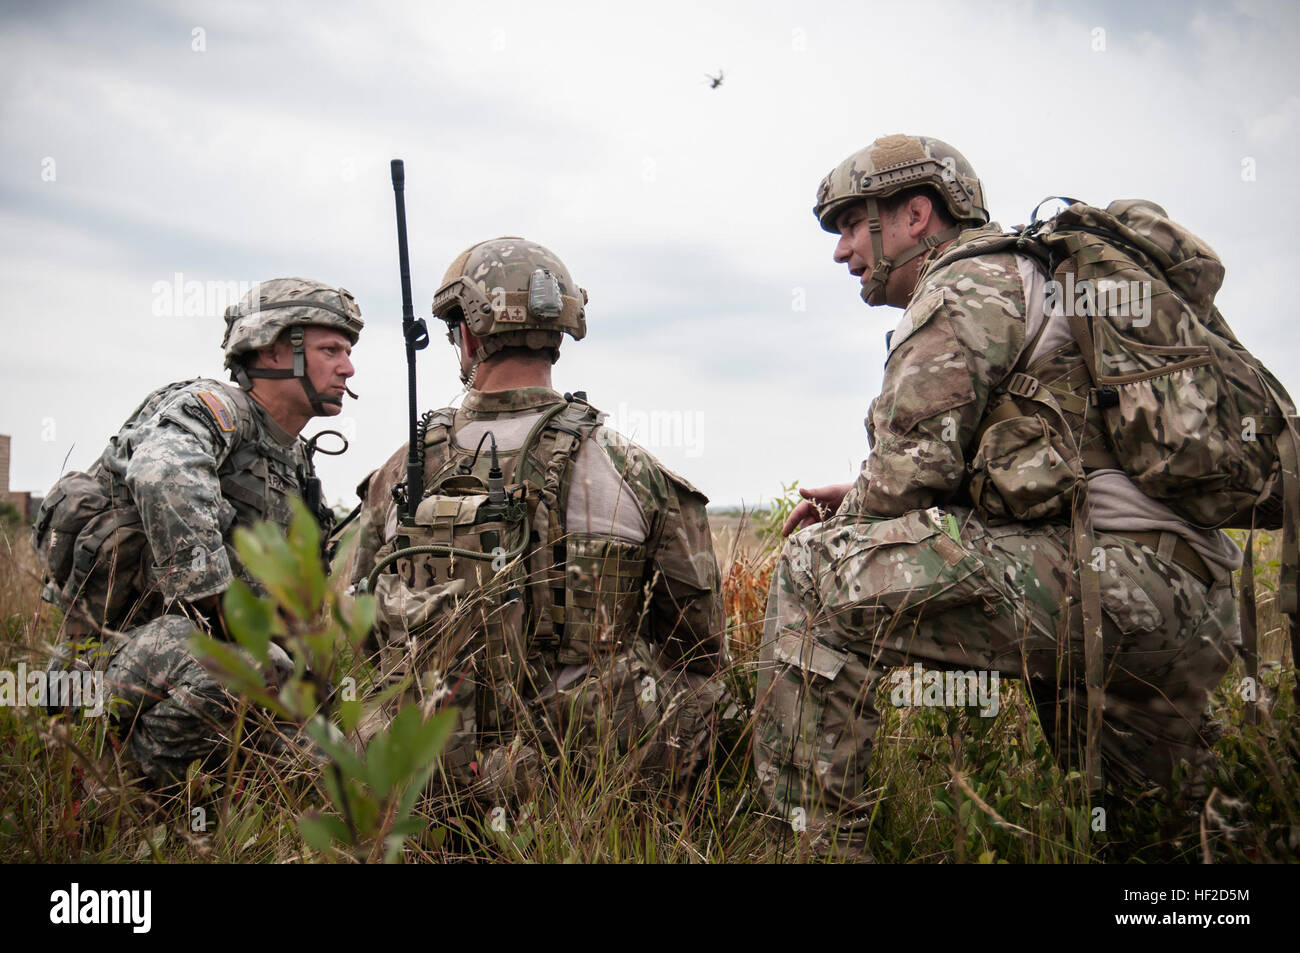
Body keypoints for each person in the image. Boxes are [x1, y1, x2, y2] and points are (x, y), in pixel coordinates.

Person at [752, 135, 1241, 857]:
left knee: (814, 575)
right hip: (1184, 598)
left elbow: (904, 478)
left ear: (915, 215)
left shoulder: (964, 285)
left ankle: (811, 849)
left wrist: (854, 506)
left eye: (854, 223)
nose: (840, 249)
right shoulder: (1036, 276)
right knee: (1165, 847)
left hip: (1116, 586)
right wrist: (864, 489)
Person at [351, 237, 726, 804]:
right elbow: (699, 646)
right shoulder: (633, 470)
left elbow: (361, 627)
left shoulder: (402, 468)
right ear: (558, 335)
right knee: (712, 698)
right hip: (584, 769)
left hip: (424, 764)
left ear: (469, 335)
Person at [36, 278, 363, 784]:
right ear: (275, 348)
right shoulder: (215, 409)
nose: (348, 366)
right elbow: (161, 473)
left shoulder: (293, 461)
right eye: (331, 349)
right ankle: (119, 797)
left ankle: (205, 791)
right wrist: (225, 610)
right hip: (97, 663)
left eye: (347, 351)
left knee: (340, 774)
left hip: (208, 667)